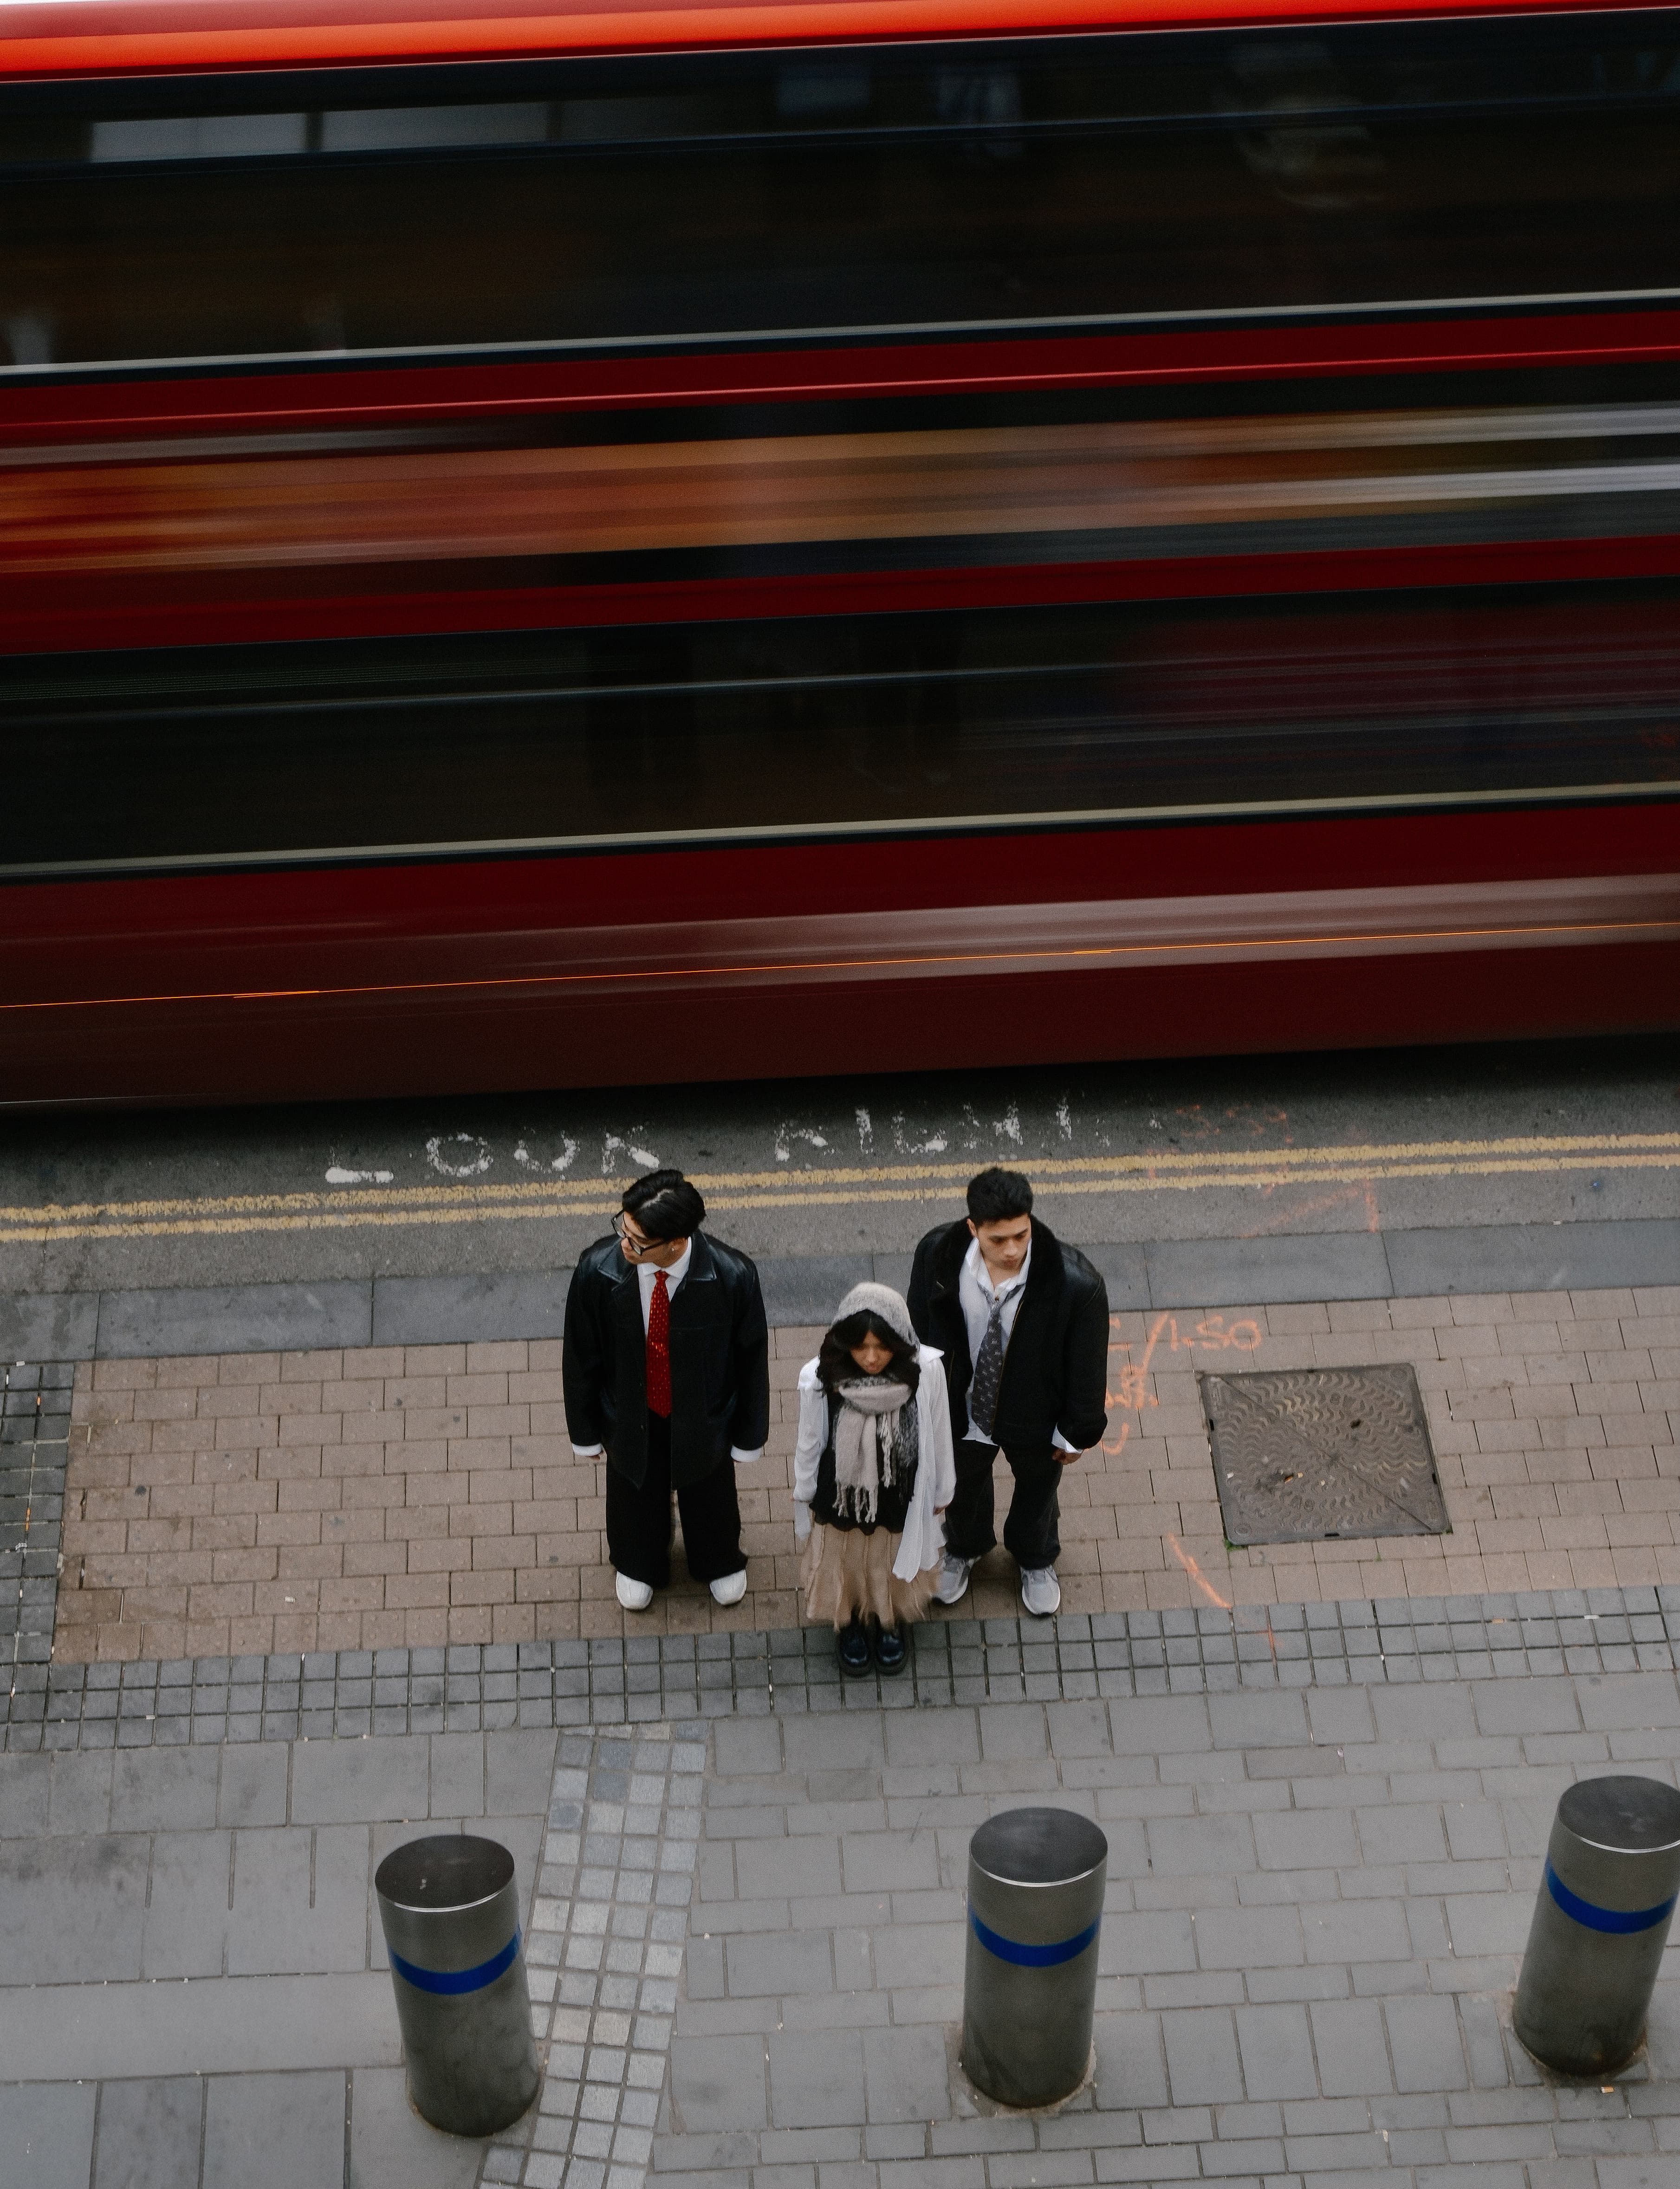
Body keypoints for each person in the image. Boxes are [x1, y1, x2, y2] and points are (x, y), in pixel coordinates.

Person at [563, 1168, 769, 1613]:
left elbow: (751, 1362)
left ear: (676, 1243)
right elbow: (582, 1357)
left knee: (710, 1488)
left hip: (704, 1414)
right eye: (624, 1227)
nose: (624, 1244)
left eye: (637, 1240)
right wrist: (585, 1433)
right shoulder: (596, 1272)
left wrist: (748, 1438)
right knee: (633, 1487)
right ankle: (638, 1561)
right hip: (629, 1411)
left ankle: (717, 1558)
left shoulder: (733, 1277)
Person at [907, 1166, 1108, 1617]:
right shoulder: (936, 1256)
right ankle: (964, 1548)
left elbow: (1088, 1365)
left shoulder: (1076, 1285)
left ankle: (1035, 1559)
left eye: (1021, 1235)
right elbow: (918, 1332)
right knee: (961, 1489)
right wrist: (922, 1404)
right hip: (963, 1410)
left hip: (1035, 1416)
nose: (1013, 1249)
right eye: (998, 1240)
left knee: (1038, 1493)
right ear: (973, 1228)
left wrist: (1077, 1432)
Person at [792, 1282, 956, 1677]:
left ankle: (887, 1622)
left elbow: (939, 1429)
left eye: (881, 1347)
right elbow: (809, 1440)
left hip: (901, 1492)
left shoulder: (925, 1370)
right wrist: (805, 1491)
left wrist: (943, 1489)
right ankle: (848, 1625)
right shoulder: (820, 1376)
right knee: (844, 1560)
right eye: (860, 1346)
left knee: (889, 1559)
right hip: (841, 1496)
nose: (870, 1358)